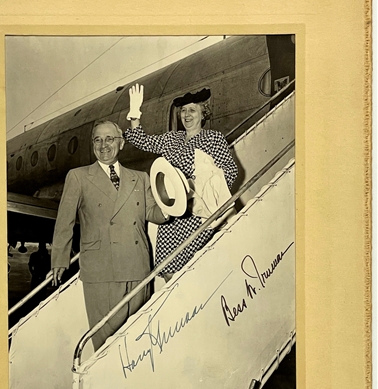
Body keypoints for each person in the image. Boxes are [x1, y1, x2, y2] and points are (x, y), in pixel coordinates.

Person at [51, 120, 167, 351]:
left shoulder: (140, 177)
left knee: (138, 342)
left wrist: (175, 201)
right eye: (98, 139)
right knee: (106, 345)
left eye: (110, 139)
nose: (104, 145)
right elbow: (64, 222)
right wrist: (59, 260)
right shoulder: (78, 176)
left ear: (121, 143)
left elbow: (153, 213)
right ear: (92, 145)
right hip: (101, 270)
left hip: (138, 267)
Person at [124, 84, 238, 282]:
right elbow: (141, 141)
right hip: (171, 215)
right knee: (169, 271)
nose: (186, 115)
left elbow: (230, 171)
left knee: (193, 272)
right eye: (183, 110)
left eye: (192, 110)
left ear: (203, 114)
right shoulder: (172, 139)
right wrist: (135, 114)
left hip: (196, 214)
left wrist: (198, 185)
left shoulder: (213, 139)